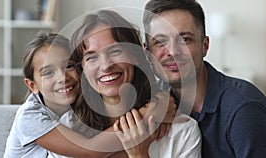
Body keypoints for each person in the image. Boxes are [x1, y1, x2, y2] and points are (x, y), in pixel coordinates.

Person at [4, 31, 175, 158]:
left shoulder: (81, 102)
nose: (63, 78)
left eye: (69, 66)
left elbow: (148, 84)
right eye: (48, 73)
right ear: (32, 85)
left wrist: (162, 99)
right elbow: (89, 151)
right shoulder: (30, 117)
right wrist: (149, 116)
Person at [142, 0, 266, 157]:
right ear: (147, 53)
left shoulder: (244, 109)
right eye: (160, 42)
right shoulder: (154, 101)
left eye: (185, 39)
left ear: (205, 45)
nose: (173, 52)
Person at [70, 9, 201, 158]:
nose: (106, 65)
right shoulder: (69, 128)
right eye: (91, 58)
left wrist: (140, 155)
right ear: (83, 70)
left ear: (135, 55)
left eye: (115, 51)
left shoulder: (182, 131)